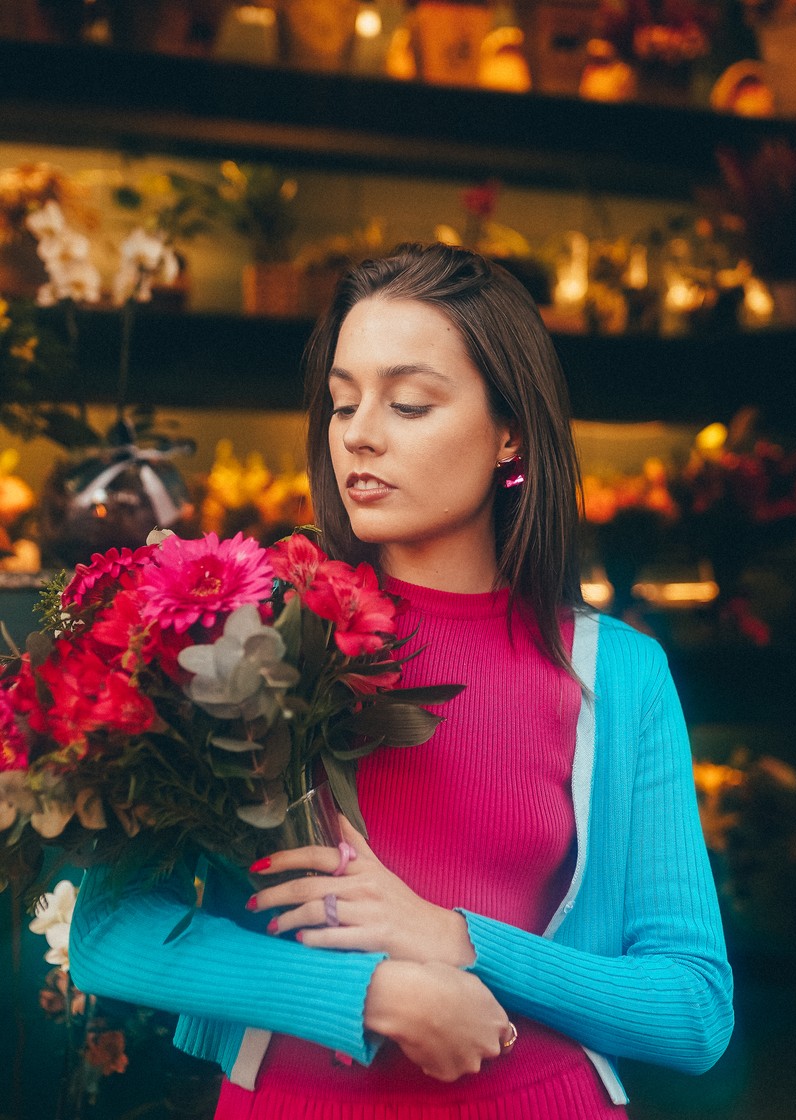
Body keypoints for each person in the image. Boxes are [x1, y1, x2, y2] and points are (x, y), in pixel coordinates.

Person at [70, 242, 733, 1119]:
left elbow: (694, 1010)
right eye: (344, 401)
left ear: (512, 433)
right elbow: (109, 935)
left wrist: (457, 939)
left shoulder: (619, 673)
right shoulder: (239, 632)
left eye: (409, 402)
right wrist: (374, 995)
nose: (360, 433)